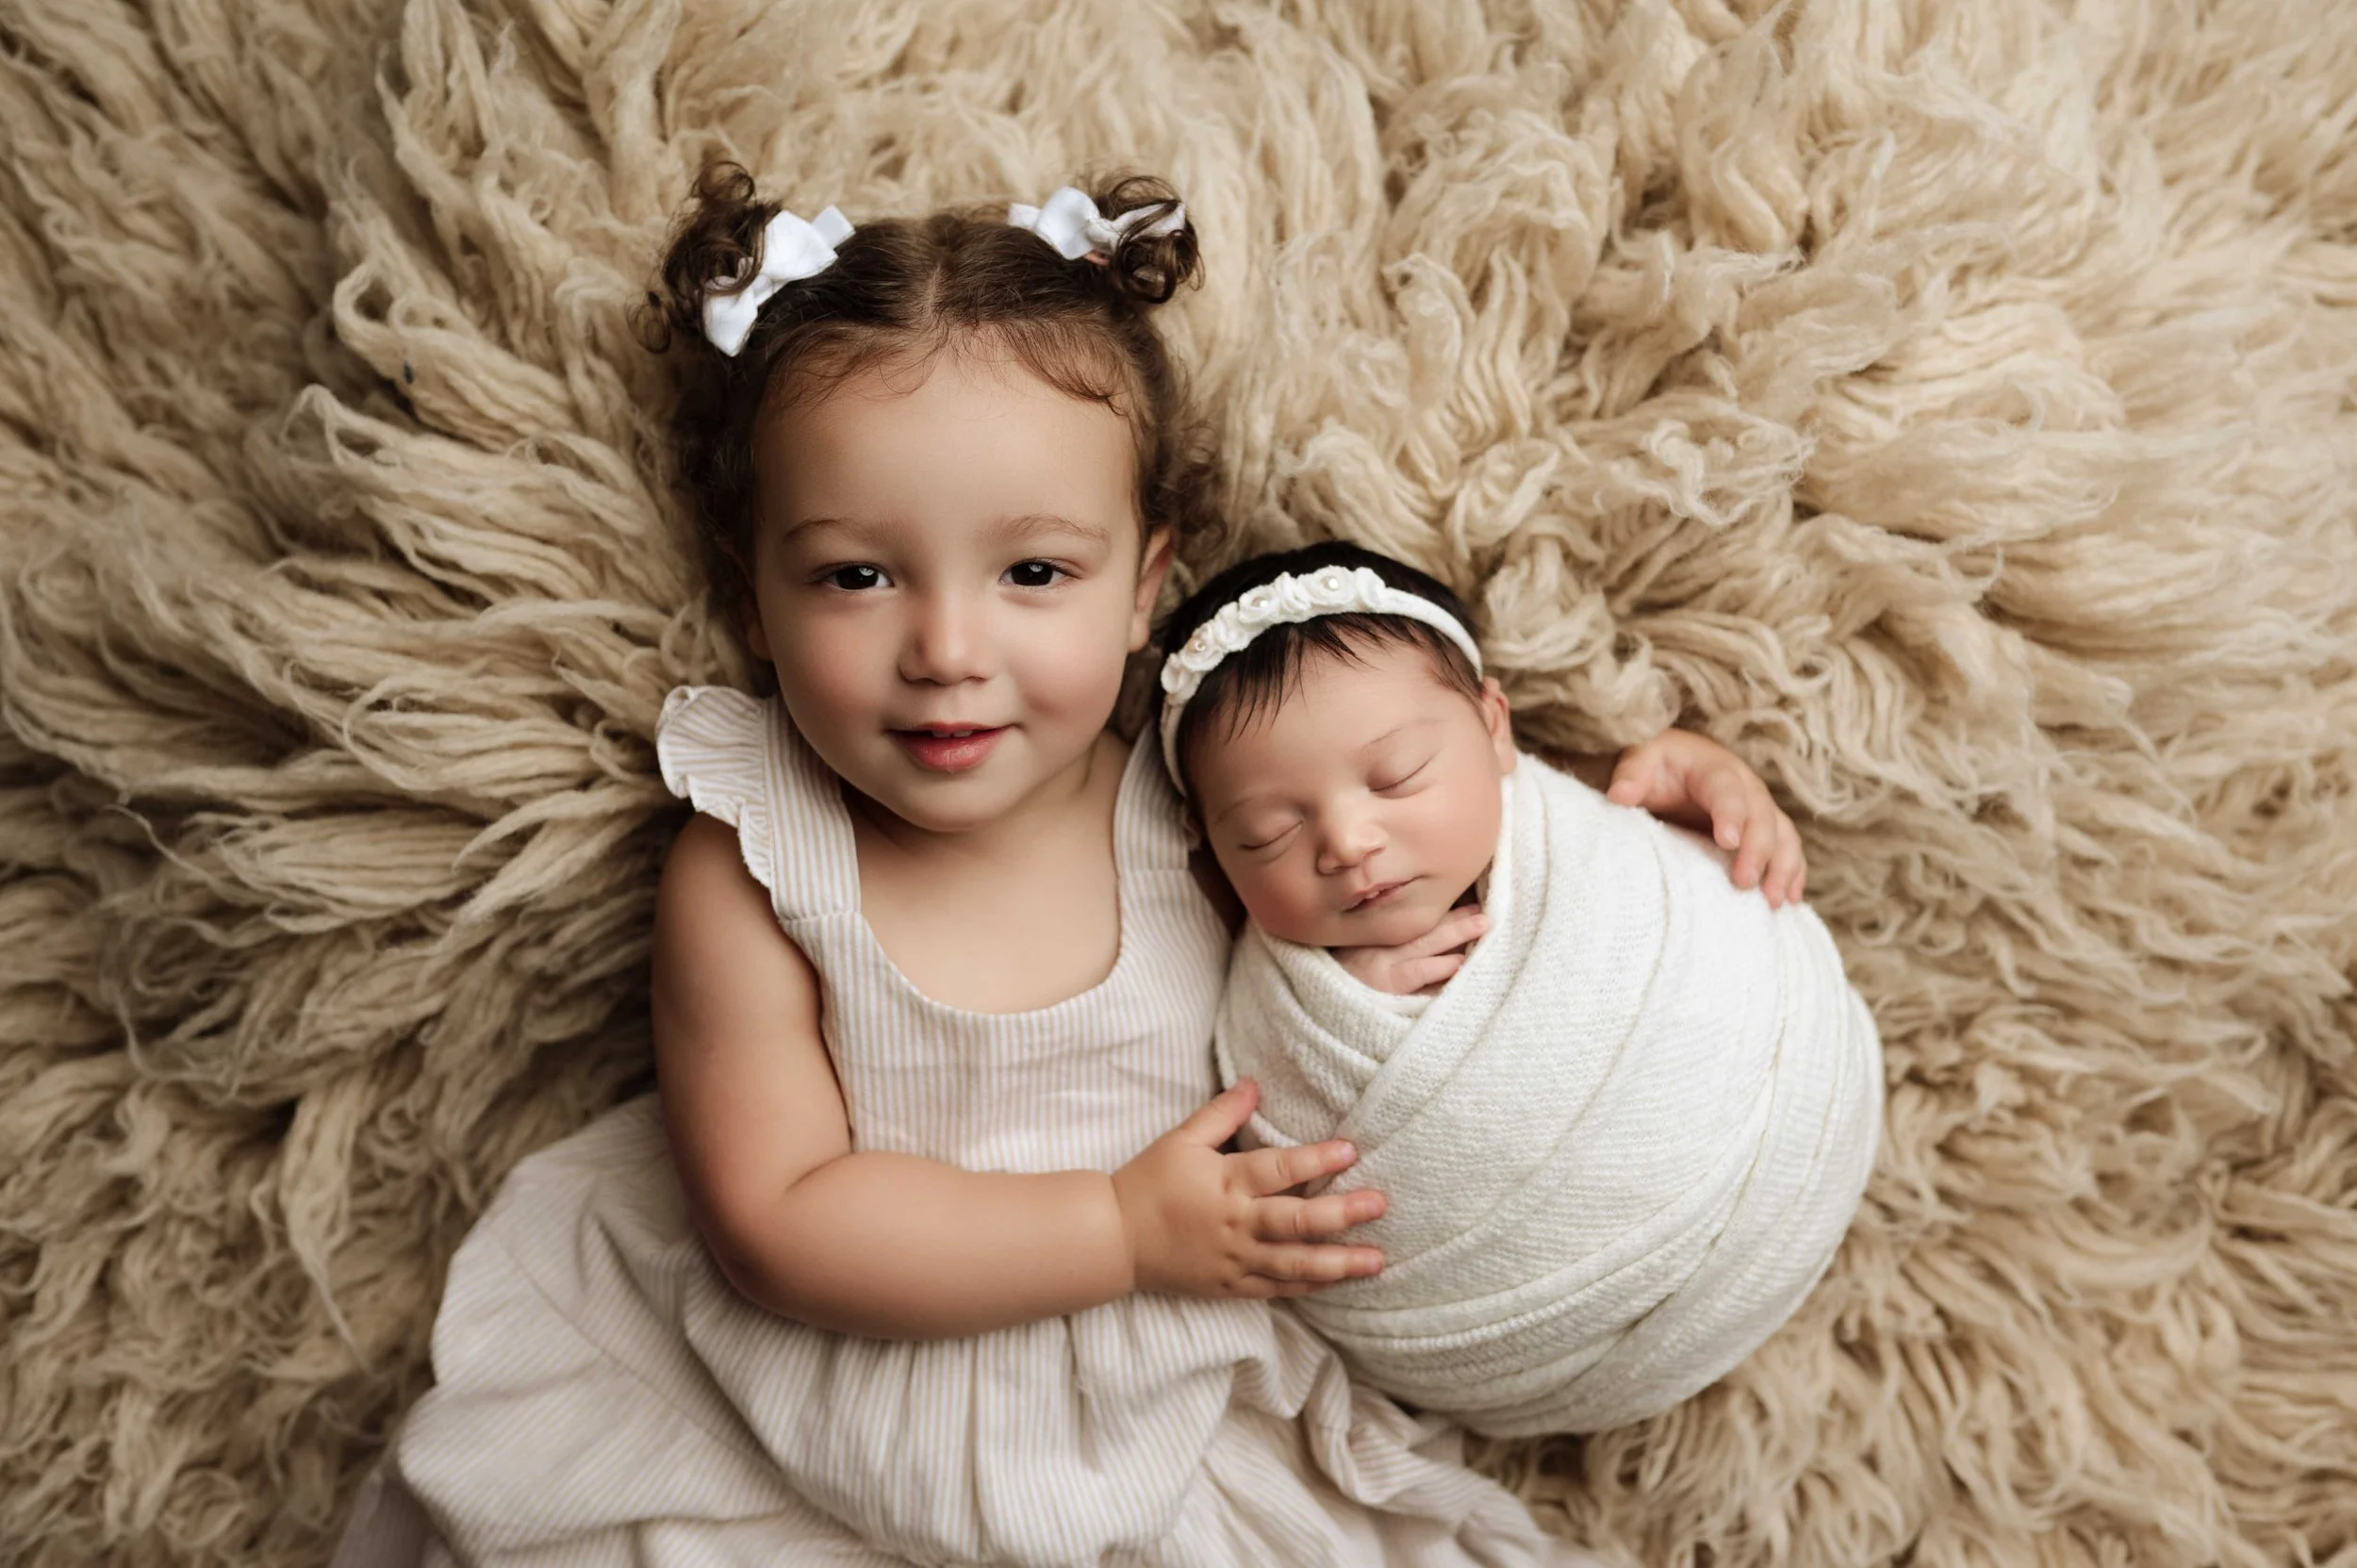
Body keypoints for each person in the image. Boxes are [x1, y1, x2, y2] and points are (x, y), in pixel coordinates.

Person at [332, 166, 1805, 1567]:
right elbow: (778, 1218)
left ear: (1144, 586)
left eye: (1034, 572)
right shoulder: (754, 867)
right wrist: (1116, 1228)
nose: (948, 651)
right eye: (858, 573)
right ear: (754, 595)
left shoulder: (1197, 802)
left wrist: (1633, 807)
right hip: (809, 1411)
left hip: (1160, 1414)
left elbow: (1407, 852)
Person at [1155, 541, 1884, 1442]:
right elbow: (1273, 1155)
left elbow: (1671, 844)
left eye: (1397, 777)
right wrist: (1344, 997)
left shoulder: (1575, 826)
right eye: (1267, 832)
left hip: (1789, 1122)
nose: (1346, 840)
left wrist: (1707, 777)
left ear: (1496, 727)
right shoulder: (1269, 1003)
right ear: (1215, 862)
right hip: (1515, 1344)